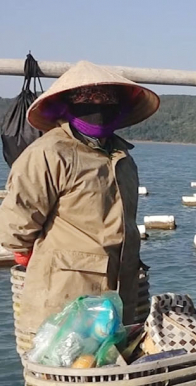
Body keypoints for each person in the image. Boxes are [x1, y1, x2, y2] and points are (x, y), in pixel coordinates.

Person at [0, 61, 159, 337]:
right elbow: (16, 228)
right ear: (67, 104)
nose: (98, 105)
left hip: (120, 297)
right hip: (65, 302)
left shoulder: (122, 157)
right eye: (87, 98)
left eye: (107, 99)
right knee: (66, 363)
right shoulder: (49, 153)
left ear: (119, 105)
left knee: (112, 363)